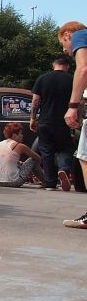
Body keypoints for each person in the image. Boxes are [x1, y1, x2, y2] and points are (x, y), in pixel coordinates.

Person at [30, 53, 75, 191]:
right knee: (66, 148)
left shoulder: (42, 78)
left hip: (45, 120)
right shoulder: (72, 79)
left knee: (46, 151)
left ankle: (50, 183)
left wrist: (33, 118)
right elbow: (78, 102)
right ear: (67, 66)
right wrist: (77, 118)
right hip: (64, 121)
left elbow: (35, 101)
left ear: (53, 64)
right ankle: (64, 169)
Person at [58, 20, 87, 227]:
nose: (65, 50)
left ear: (67, 34)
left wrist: (73, 106)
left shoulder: (80, 35)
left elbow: (83, 69)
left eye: (63, 44)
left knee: (85, 157)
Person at [0, 122, 44, 188]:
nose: (22, 136)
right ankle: (46, 181)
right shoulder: (19, 146)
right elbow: (38, 158)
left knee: (19, 163)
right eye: (20, 133)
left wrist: (21, 164)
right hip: (13, 181)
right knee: (32, 160)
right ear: (14, 135)